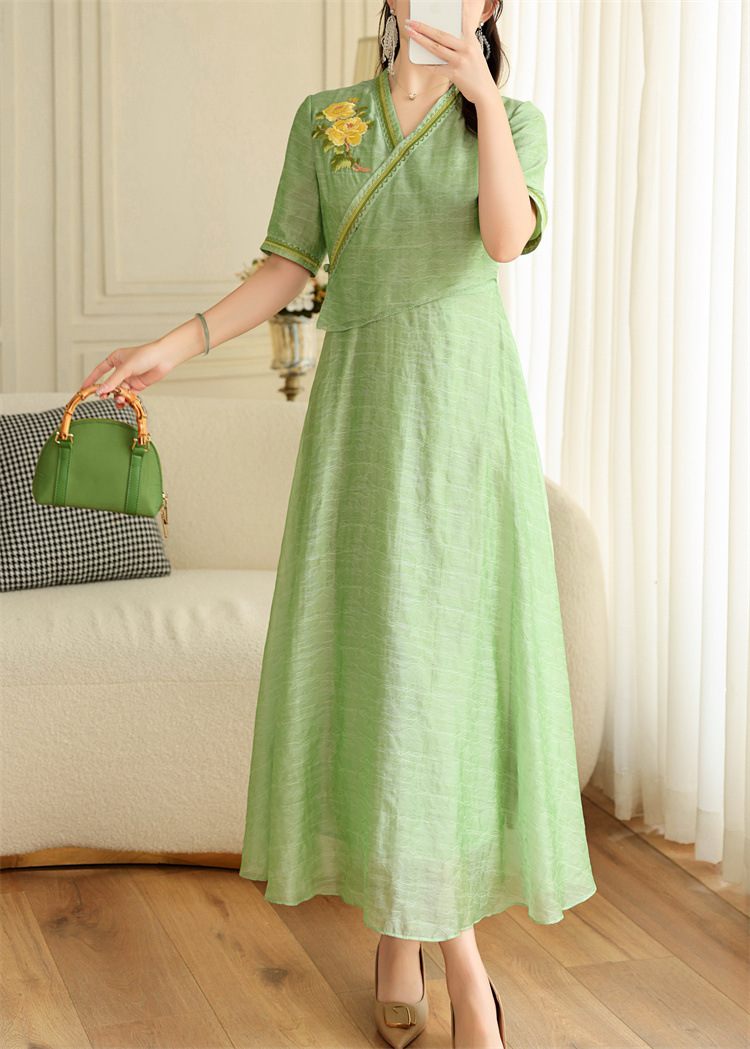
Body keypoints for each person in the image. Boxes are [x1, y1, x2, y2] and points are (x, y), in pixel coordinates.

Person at [83, 3, 597, 1047]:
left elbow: (507, 238)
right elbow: (288, 268)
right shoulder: (326, 118)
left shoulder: (513, 122)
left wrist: (482, 96)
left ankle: (445, 959)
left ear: (489, 6)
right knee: (384, 674)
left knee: (440, 685)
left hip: (465, 421)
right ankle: (417, 947)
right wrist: (170, 348)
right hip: (363, 417)